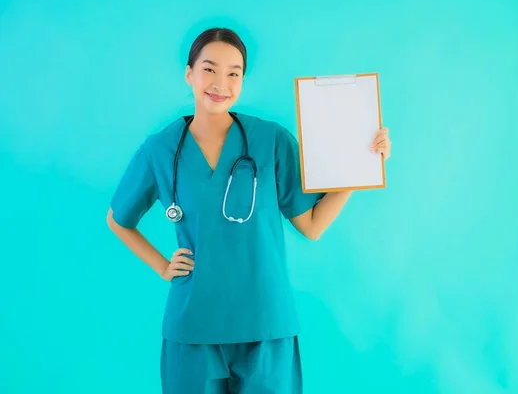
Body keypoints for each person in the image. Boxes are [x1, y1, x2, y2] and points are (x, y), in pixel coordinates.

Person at [106, 27, 391, 394]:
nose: (220, 83)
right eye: (209, 69)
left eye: (233, 73)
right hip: (194, 323)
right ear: (189, 73)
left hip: (265, 323)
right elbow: (118, 219)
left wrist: (360, 165)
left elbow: (313, 224)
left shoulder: (270, 140)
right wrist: (163, 266)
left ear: (242, 79)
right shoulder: (160, 150)